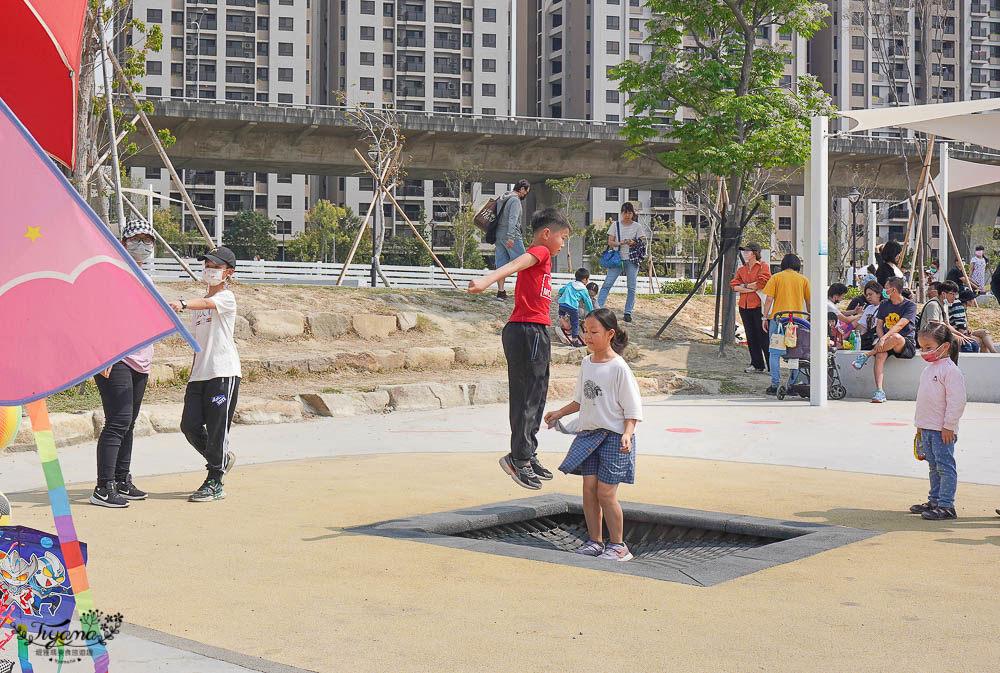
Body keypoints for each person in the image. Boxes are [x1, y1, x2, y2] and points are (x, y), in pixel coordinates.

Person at [468, 208, 571, 489]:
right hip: (527, 331)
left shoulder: (542, 256)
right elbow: (516, 263)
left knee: (537, 396)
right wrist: (488, 281)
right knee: (527, 398)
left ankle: (528, 451)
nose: (563, 244)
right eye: (562, 237)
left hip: (536, 330)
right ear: (547, 234)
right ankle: (519, 459)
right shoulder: (541, 251)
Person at [544, 308, 642, 562]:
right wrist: (559, 413)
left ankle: (619, 546)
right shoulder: (586, 363)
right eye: (585, 331)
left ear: (610, 334)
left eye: (593, 332)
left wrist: (628, 434)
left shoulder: (619, 367)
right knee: (589, 489)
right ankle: (595, 542)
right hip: (589, 435)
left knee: (606, 494)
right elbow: (580, 400)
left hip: (614, 436)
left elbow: (632, 409)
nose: (587, 336)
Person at [89, 219, 157, 508]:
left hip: (140, 359)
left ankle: (121, 479)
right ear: (123, 242)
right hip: (116, 358)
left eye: (148, 240)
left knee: (128, 422)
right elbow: (98, 314)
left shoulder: (146, 276)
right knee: (117, 421)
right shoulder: (113, 273)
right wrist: (104, 353)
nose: (142, 245)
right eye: (135, 239)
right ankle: (103, 488)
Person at [168, 246, 242, 503]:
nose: (209, 271)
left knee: (217, 427)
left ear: (228, 273)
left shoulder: (226, 298)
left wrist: (183, 303)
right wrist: (192, 373)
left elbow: (208, 303)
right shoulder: (199, 307)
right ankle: (221, 459)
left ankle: (215, 480)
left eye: (216, 267)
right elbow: (197, 343)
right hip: (200, 374)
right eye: (207, 266)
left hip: (223, 373)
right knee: (189, 425)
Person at [909, 321, 966, 521]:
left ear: (945, 346)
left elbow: (957, 401)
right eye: (921, 347)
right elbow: (924, 400)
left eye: (929, 347)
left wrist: (949, 426)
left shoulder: (950, 371)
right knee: (933, 466)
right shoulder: (929, 369)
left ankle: (946, 505)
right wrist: (919, 426)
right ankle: (935, 501)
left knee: (944, 466)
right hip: (927, 428)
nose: (923, 352)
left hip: (942, 431)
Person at [851, 277, 918, 403]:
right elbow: (879, 326)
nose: (883, 291)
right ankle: (879, 391)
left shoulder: (910, 306)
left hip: (904, 343)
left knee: (896, 337)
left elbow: (900, 325)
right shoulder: (884, 305)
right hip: (886, 342)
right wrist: (882, 339)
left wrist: (884, 339)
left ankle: (867, 355)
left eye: (885, 288)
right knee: (881, 354)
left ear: (893, 290)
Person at [760, 253, 811, 395]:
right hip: (797, 322)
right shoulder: (803, 280)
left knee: (774, 353)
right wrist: (809, 319)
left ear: (782, 264)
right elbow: (809, 302)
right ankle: (791, 386)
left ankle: (775, 385)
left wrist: (765, 318)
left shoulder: (776, 277)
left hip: (778, 320)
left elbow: (768, 300)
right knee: (795, 354)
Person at [597, 202, 646, 323]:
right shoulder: (615, 225)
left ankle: (628, 312)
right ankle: (597, 308)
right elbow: (610, 242)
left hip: (632, 258)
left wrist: (632, 242)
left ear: (633, 213)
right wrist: (620, 243)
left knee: (631, 287)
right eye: (625, 212)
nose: (627, 215)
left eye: (630, 212)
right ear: (622, 213)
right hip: (617, 258)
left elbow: (641, 242)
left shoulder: (637, 226)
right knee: (607, 284)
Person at [729, 243, 771, 374]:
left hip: (758, 306)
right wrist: (749, 289)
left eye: (747, 251)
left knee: (763, 336)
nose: (745, 253)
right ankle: (756, 363)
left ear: (754, 253)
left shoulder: (763, 266)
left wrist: (744, 286)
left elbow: (762, 283)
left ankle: (771, 364)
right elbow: (734, 285)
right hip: (744, 306)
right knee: (750, 336)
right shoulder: (742, 269)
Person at [492, 179, 531, 300]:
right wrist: (511, 237)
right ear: (522, 189)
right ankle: (524, 292)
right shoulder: (515, 200)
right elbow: (513, 219)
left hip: (498, 234)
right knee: (525, 263)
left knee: (501, 264)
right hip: (511, 235)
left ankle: (501, 292)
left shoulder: (502, 198)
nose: (525, 195)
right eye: (526, 192)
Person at [948, 288, 996, 353]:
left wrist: (968, 330)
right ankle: (992, 355)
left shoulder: (963, 308)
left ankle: (993, 352)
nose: (974, 300)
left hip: (964, 332)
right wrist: (964, 336)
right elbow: (960, 327)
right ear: (968, 301)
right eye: (972, 299)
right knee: (982, 342)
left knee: (984, 332)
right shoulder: (959, 307)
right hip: (959, 334)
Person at [557, 268, 594, 346]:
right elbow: (588, 302)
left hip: (562, 303)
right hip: (572, 307)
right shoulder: (583, 290)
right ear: (585, 279)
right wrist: (591, 312)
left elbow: (561, 290)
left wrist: (560, 293)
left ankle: (562, 317)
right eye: (588, 279)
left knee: (561, 312)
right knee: (575, 323)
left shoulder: (570, 284)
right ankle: (574, 341)